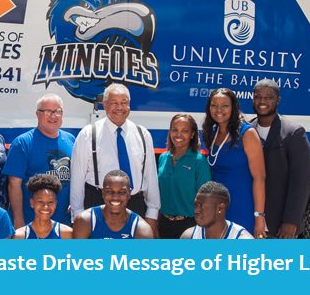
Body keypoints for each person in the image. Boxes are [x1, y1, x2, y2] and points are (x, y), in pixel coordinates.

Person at [70, 83, 160, 235]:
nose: (119, 107)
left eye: (124, 102)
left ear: (129, 105)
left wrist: (152, 214)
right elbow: (77, 179)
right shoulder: (88, 134)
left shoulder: (143, 134)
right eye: (114, 103)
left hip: (135, 205)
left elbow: (150, 177)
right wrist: (77, 215)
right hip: (98, 205)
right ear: (105, 105)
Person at [250, 79, 310, 238]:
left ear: (278, 100)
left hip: (279, 223)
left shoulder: (293, 133)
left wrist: (291, 220)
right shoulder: (248, 129)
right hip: (251, 219)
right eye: (258, 97)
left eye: (268, 97)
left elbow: (301, 181)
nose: (262, 101)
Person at [3, 93, 75, 229]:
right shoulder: (23, 143)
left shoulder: (71, 140)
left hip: (62, 224)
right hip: (31, 224)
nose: (53, 116)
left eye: (57, 111)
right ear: (37, 114)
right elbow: (14, 184)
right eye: (47, 111)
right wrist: (18, 220)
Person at [202, 88, 266, 238]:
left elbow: (259, 177)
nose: (219, 110)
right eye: (214, 105)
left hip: (241, 206)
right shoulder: (212, 132)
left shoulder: (247, 133)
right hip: (217, 207)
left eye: (225, 105)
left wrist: (259, 216)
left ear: (233, 108)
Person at [157, 114, 211, 239]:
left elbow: (206, 198)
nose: (178, 135)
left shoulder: (199, 161)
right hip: (163, 224)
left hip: (190, 224)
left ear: (192, 134)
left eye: (185, 131)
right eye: (174, 130)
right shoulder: (163, 158)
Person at [72, 170, 154, 239]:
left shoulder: (141, 229)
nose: (115, 197)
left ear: (129, 194)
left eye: (121, 192)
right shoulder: (85, 221)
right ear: (103, 193)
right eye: (109, 191)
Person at [181, 181, 253, 239]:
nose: (196, 211)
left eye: (202, 206)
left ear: (220, 208)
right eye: (196, 205)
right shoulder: (188, 237)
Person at [12, 174, 73, 239]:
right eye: (40, 202)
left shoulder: (67, 233)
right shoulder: (19, 236)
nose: (45, 206)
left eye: (50, 202)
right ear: (32, 203)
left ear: (55, 204)